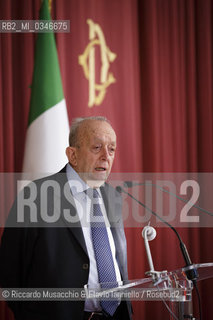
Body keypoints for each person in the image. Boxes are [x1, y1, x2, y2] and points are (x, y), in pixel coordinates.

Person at [0, 116, 132, 320]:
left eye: (112, 149)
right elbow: (10, 270)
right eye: (97, 147)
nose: (106, 156)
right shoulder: (36, 197)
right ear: (73, 155)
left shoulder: (113, 197)